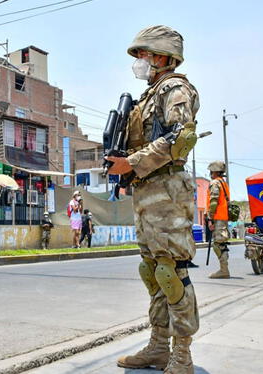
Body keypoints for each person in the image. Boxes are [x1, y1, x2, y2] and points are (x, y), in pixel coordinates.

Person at [106, 25, 200, 372]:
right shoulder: (148, 95)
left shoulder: (175, 88)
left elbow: (180, 138)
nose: (139, 62)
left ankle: (182, 355)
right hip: (146, 190)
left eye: (143, 55)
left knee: (170, 271)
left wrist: (129, 162)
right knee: (152, 270)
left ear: (161, 57)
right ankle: (159, 347)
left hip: (167, 191)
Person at [206, 161, 231, 279]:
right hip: (223, 217)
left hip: (218, 217)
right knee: (222, 244)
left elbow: (213, 201)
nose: (210, 173)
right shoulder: (223, 183)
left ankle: (224, 270)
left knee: (218, 245)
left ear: (215, 171)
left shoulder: (215, 183)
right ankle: (224, 269)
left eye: (211, 171)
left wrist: (210, 218)